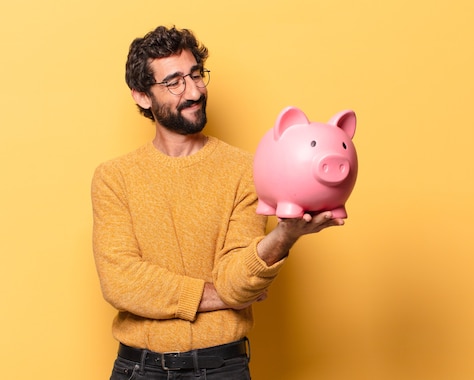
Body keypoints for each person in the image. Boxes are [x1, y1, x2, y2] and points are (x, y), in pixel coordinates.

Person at [91, 25, 344, 380]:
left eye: (196, 74)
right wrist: (220, 296)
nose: (194, 90)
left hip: (221, 368)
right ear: (142, 96)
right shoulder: (114, 177)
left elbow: (238, 280)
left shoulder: (245, 169)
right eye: (174, 82)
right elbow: (121, 282)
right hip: (139, 369)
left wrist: (285, 235)